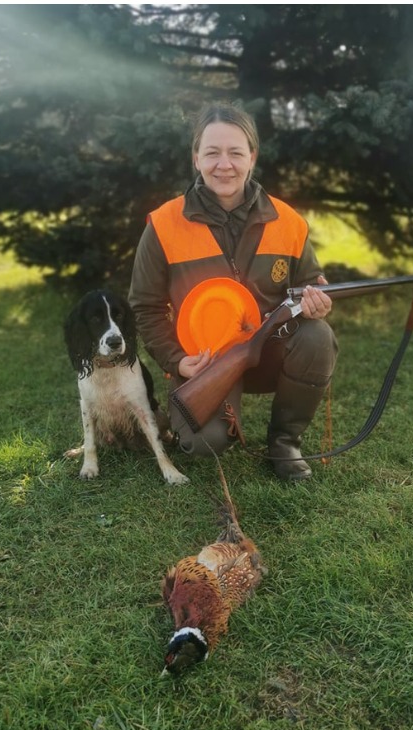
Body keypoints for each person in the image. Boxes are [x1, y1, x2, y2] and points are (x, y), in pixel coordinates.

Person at [128, 104, 336, 481]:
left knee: (317, 337)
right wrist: (177, 361)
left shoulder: (287, 220)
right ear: (196, 158)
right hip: (204, 362)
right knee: (203, 443)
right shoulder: (163, 224)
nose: (224, 164)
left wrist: (316, 305)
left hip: (270, 352)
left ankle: (285, 442)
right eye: (212, 153)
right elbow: (145, 307)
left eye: (236, 153)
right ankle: (206, 416)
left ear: (252, 157)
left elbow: (309, 283)